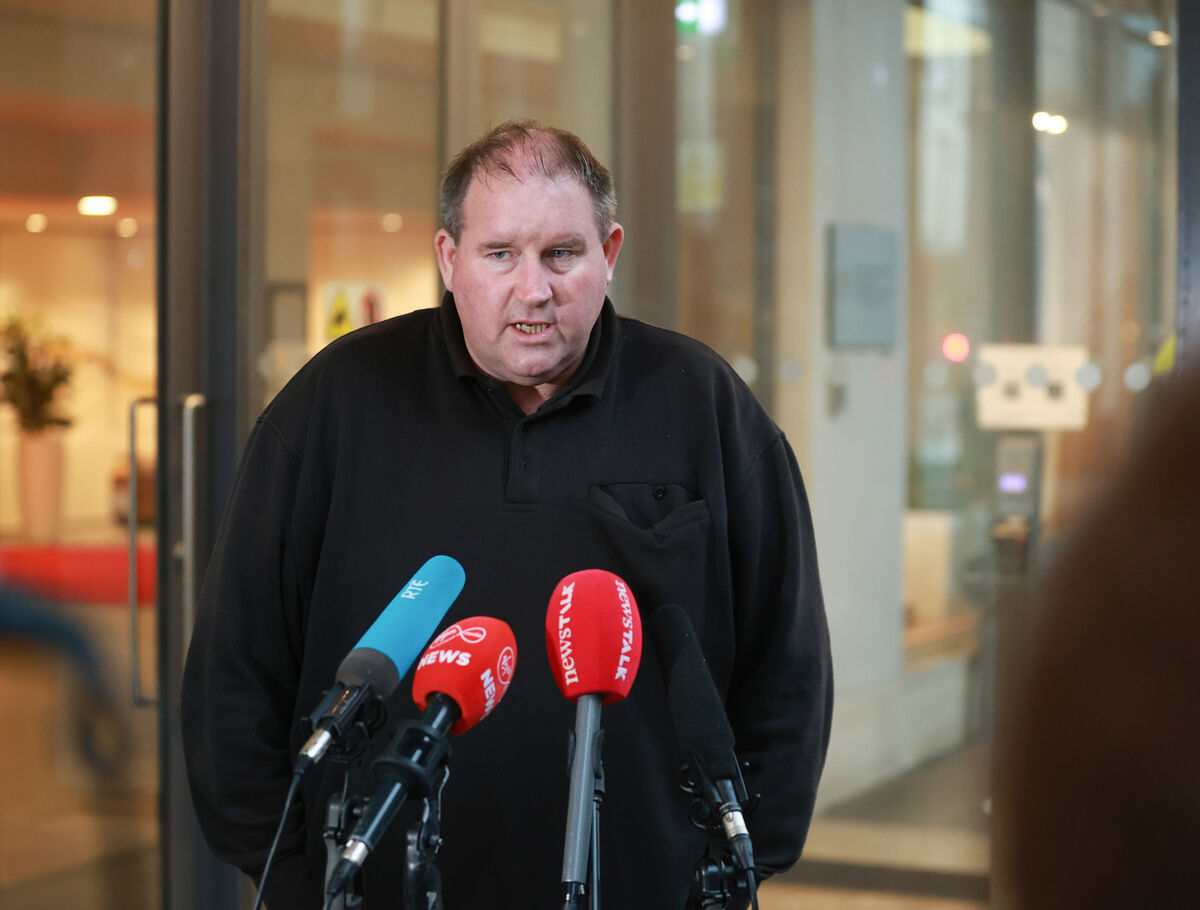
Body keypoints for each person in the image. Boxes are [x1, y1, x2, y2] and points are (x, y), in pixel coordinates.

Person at [182, 120, 833, 909]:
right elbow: (234, 670)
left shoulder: (704, 404)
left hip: (644, 891)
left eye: (563, 253)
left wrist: (732, 870)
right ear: (449, 260)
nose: (535, 288)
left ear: (610, 254)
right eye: (500, 255)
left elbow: (788, 669)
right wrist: (298, 874)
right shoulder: (334, 404)